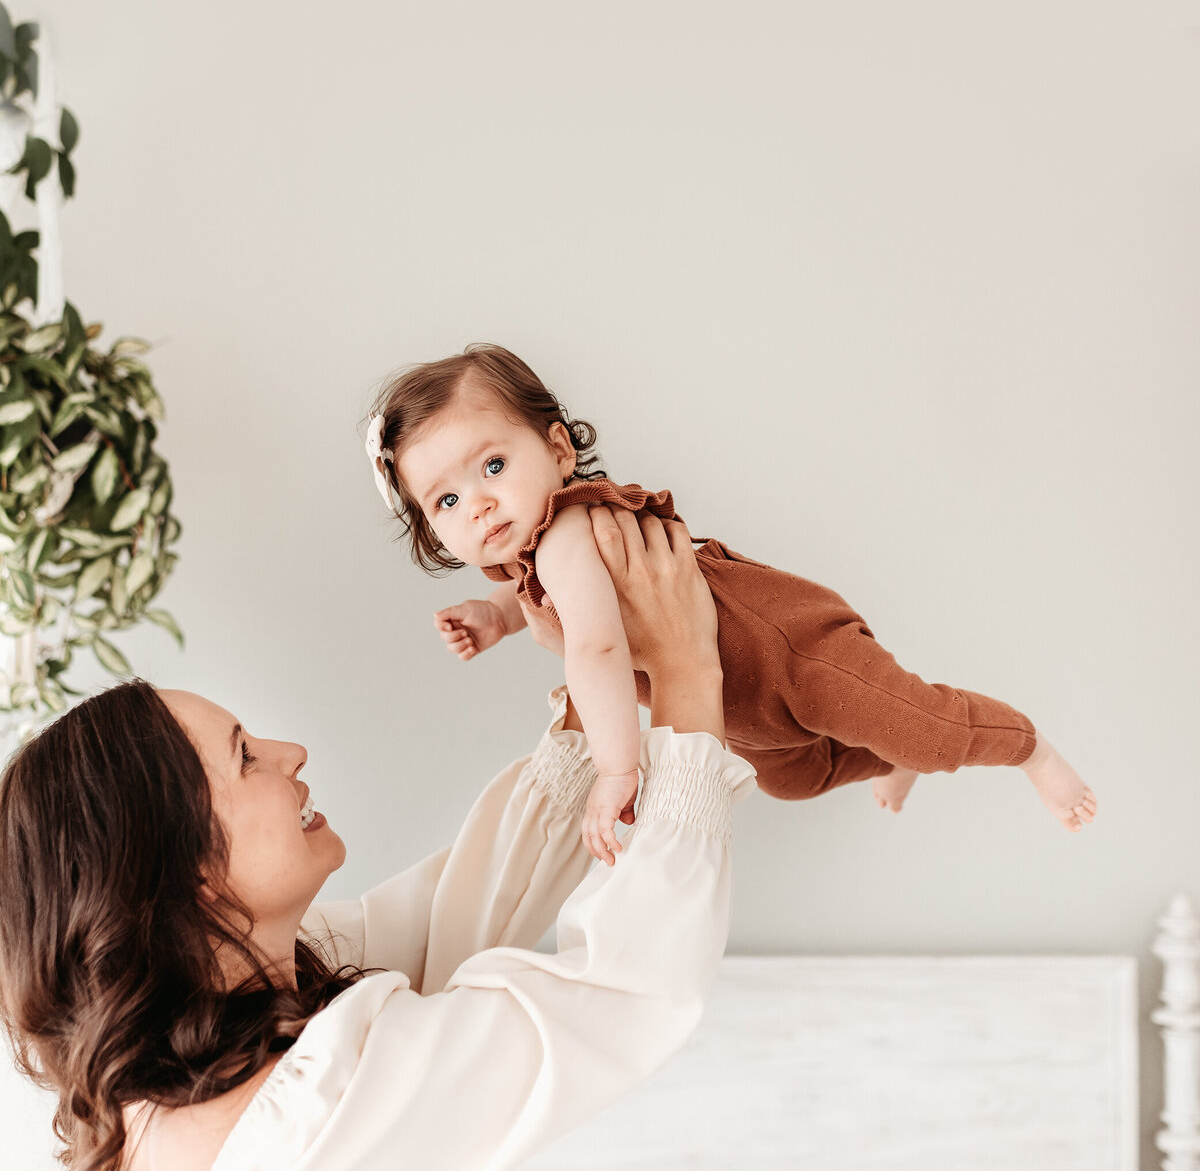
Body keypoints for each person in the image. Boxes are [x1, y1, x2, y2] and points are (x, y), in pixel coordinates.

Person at [0, 509, 752, 1171]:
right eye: (245, 758)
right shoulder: (283, 1131)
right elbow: (624, 989)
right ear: (185, 878)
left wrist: (604, 696)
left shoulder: (246, 1011)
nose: (290, 752)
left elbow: (457, 910)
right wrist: (686, 673)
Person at [366, 342, 1097, 863]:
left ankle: (1029, 748)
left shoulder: (568, 530)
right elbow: (541, 597)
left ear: (558, 449)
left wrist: (620, 770)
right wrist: (494, 616)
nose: (481, 503)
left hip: (793, 651)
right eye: (448, 500)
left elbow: (596, 646)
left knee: (931, 732)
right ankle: (891, 752)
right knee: (797, 778)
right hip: (742, 703)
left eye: (494, 464)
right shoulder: (536, 556)